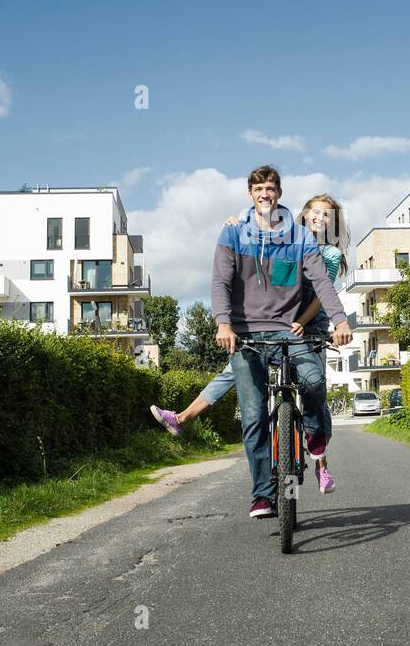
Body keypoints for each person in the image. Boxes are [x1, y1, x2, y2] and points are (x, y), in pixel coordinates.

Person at [149, 193, 350, 494]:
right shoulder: (288, 242)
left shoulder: (330, 255)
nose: (318, 219)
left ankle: (321, 462)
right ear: (304, 215)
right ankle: (181, 418)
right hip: (277, 324)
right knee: (235, 368)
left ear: (333, 224)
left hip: (310, 327)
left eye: (326, 215)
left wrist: (304, 323)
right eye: (314, 212)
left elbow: (321, 295)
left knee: (313, 387)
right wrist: (239, 223)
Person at [210, 166, 352, 518]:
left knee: (315, 380)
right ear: (250, 194)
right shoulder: (232, 234)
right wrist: (223, 323)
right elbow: (220, 282)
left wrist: (340, 319)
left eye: (270, 187)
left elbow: (321, 282)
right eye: (258, 188)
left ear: (279, 193)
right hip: (245, 334)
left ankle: (315, 434)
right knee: (254, 416)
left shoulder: (300, 237)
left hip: (287, 330)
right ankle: (263, 494)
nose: (264, 193)